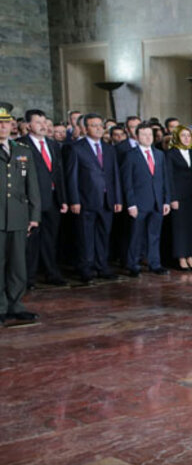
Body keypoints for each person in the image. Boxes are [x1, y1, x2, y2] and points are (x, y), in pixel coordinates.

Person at [65, 113, 123, 283]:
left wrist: (118, 199)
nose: (98, 128)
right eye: (93, 125)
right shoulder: (76, 148)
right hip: (85, 200)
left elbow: (115, 176)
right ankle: (86, 268)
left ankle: (102, 266)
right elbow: (72, 177)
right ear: (84, 128)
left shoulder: (109, 148)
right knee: (86, 237)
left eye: (100, 125)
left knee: (104, 235)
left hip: (107, 200)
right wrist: (74, 200)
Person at [17, 109, 68, 287]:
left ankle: (51, 273)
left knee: (50, 239)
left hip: (53, 200)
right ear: (28, 126)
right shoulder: (20, 145)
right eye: (38, 122)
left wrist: (63, 199)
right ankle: (29, 277)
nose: (43, 126)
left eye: (45, 122)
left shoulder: (53, 145)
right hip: (32, 202)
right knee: (31, 241)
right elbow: (19, 177)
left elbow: (59, 174)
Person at [0, 108, 41, 324]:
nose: (3, 127)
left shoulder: (22, 151)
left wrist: (33, 215)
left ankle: (16, 304)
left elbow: (30, 184)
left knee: (18, 264)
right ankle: (0, 307)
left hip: (17, 216)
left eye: (6, 123)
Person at [121, 124, 172, 276]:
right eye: (144, 135)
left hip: (157, 201)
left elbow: (164, 179)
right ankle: (133, 264)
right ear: (136, 137)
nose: (148, 137)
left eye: (150, 134)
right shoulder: (130, 155)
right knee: (136, 235)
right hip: (139, 202)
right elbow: (127, 182)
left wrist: (166, 200)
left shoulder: (159, 154)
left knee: (154, 235)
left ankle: (154, 263)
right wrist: (131, 204)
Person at [166, 125, 192, 271]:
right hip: (179, 197)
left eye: (188, 136)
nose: (187, 138)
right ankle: (181, 257)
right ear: (176, 137)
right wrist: (172, 198)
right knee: (180, 228)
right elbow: (169, 177)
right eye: (183, 136)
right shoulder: (170, 154)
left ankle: (191, 256)